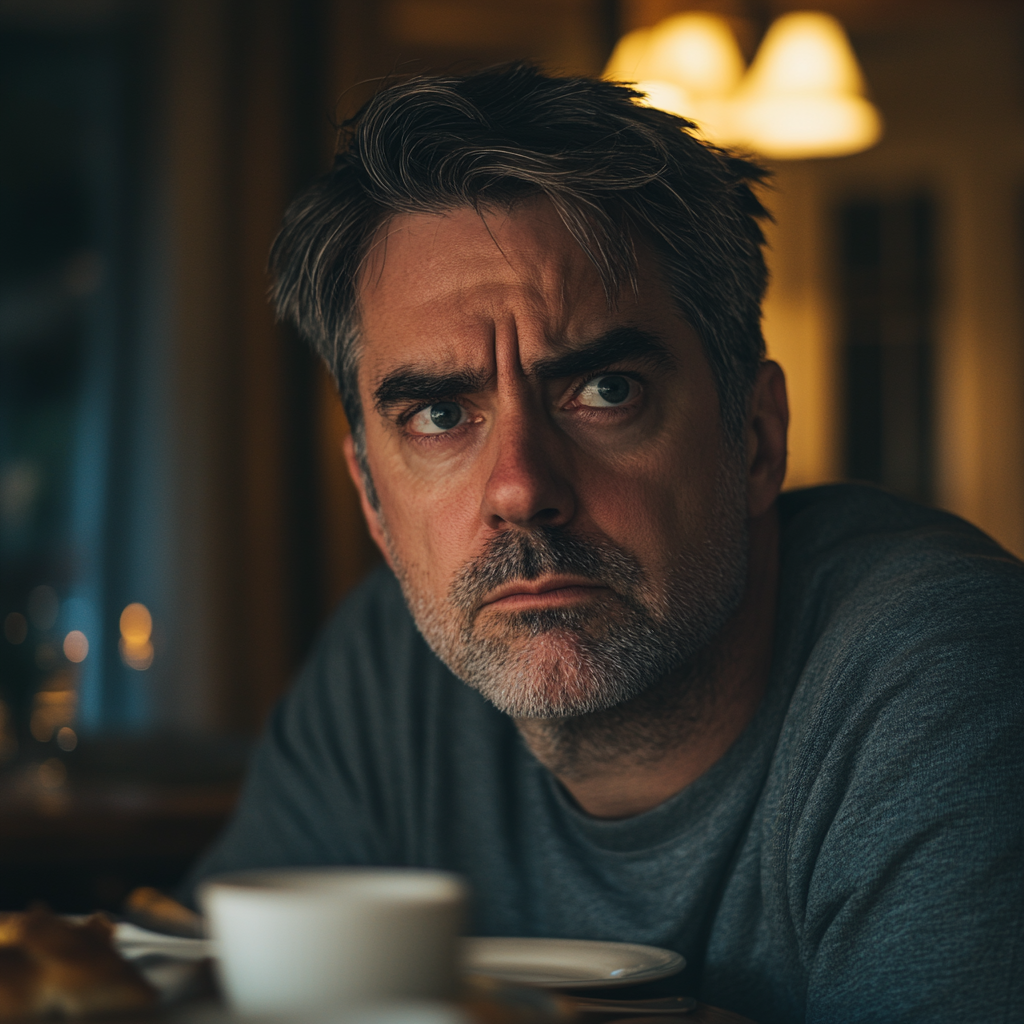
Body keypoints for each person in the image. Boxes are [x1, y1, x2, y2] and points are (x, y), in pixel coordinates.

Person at [183, 64, 1023, 1023]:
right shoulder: (389, 665)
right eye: (441, 414)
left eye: (604, 391)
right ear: (372, 496)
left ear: (753, 440)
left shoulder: (953, 667)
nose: (520, 490)